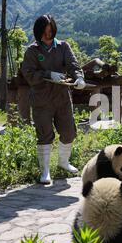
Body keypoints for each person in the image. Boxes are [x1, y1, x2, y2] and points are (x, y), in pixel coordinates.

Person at [21, 14, 87, 185]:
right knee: (44, 134)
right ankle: (45, 171)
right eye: (44, 32)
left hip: (62, 97)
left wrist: (79, 78)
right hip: (41, 100)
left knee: (68, 131)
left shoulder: (63, 47)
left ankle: (63, 162)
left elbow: (73, 65)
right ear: (38, 32)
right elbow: (28, 74)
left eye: (51, 31)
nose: (48, 35)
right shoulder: (32, 51)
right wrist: (48, 75)